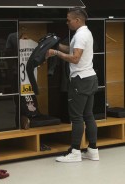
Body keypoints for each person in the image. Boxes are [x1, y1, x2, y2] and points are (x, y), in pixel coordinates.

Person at [45, 7, 99, 162]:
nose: (67, 22)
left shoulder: (81, 35)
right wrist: (56, 46)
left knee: (76, 117)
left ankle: (75, 152)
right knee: (88, 115)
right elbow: (72, 49)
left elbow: (75, 58)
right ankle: (92, 151)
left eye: (68, 20)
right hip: (89, 78)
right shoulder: (84, 33)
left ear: (77, 20)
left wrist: (55, 54)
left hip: (80, 80)